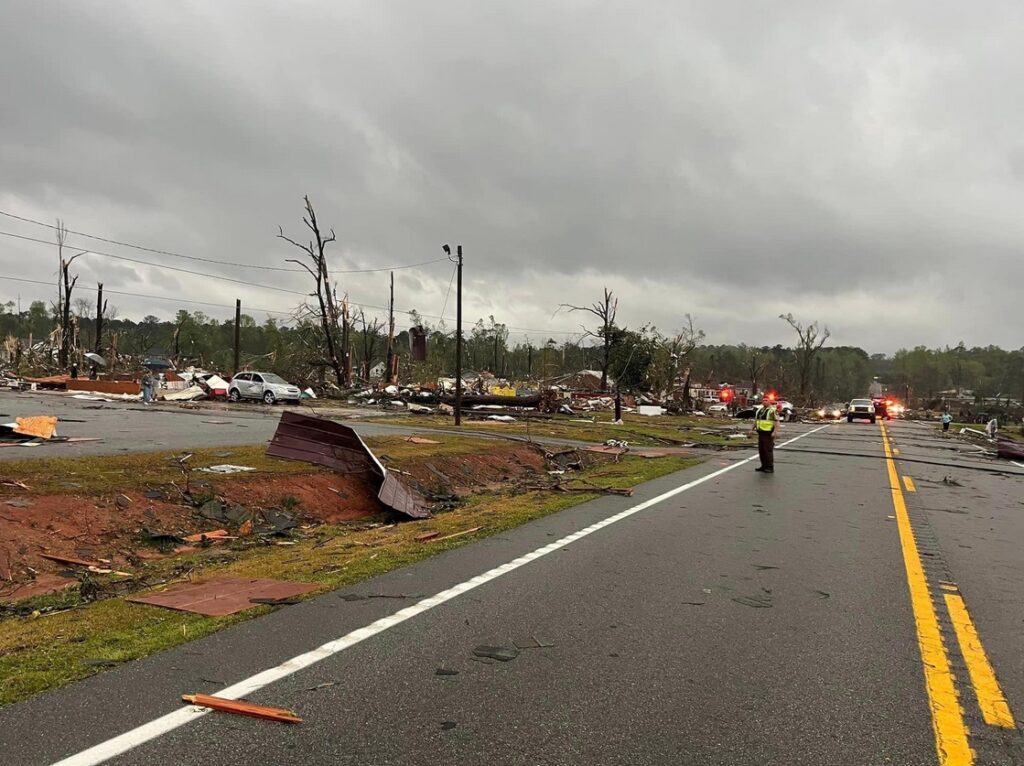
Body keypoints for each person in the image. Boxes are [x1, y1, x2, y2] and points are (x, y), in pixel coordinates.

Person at [753, 400, 779, 473]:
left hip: (768, 433)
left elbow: (776, 421)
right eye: (763, 400)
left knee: (767, 450)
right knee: (761, 450)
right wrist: (752, 429)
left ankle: (770, 467)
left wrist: (775, 431)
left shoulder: (772, 411)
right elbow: (756, 420)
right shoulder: (759, 410)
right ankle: (763, 465)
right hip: (761, 432)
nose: (764, 402)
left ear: (769, 402)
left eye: (766, 401)